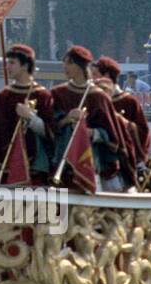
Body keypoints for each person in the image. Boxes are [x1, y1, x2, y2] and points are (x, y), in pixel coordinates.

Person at [49, 45, 130, 191]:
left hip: (90, 162)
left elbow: (112, 137)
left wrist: (91, 133)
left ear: (80, 66)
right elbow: (50, 126)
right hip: (61, 160)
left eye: (69, 63)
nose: (64, 67)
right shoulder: (57, 93)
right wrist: (67, 119)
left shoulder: (98, 96)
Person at [0, 44, 56, 185]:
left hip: (35, 167)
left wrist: (30, 118)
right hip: (6, 164)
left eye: (12, 63)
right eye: (7, 63)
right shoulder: (3, 96)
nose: (8, 67)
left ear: (25, 65)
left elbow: (50, 132)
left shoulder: (42, 95)